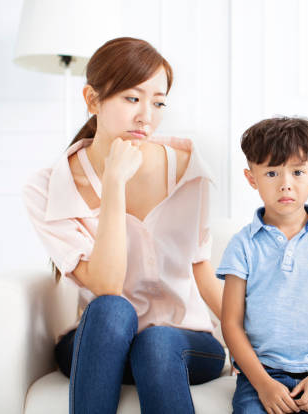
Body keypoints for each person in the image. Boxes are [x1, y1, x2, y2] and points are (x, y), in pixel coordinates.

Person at [23, 37, 225, 414]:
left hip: (182, 342)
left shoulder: (188, 168)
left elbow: (202, 272)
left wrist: (256, 341)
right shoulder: (47, 188)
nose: (146, 116)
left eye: (158, 102)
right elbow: (107, 285)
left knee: (155, 344)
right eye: (132, 98)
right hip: (103, 341)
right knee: (112, 309)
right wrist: (114, 184)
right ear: (92, 99)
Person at [217, 117, 308, 413]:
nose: (285, 184)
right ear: (251, 177)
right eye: (271, 173)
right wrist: (262, 384)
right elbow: (231, 323)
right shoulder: (242, 245)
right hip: (260, 375)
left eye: (297, 172)